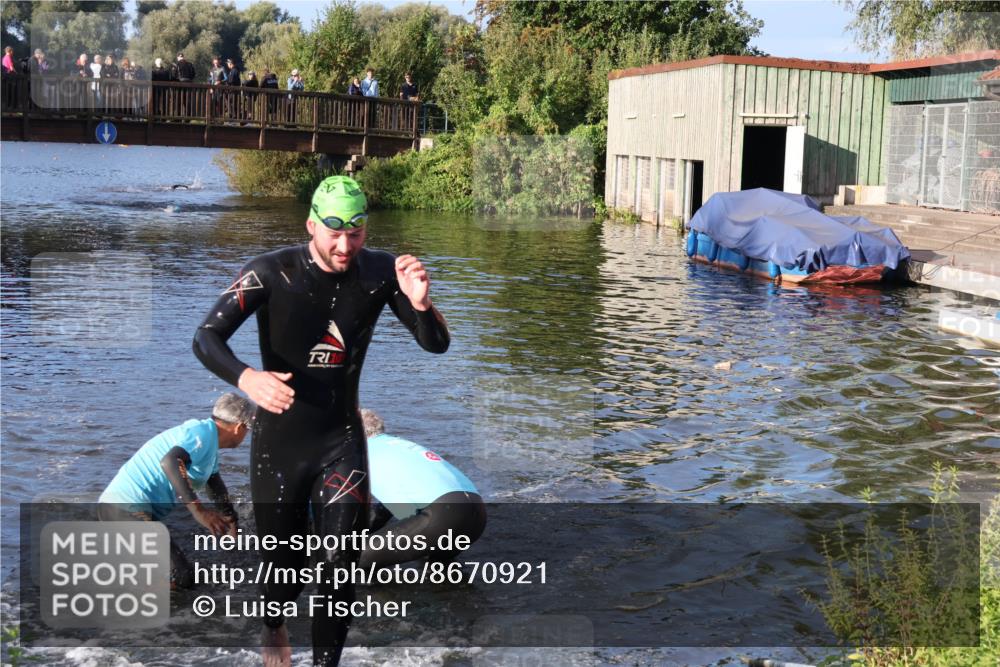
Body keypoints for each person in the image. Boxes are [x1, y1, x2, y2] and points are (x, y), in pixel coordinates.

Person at [192, 175, 450, 667]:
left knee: (339, 565)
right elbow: (206, 337)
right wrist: (247, 378)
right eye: (333, 232)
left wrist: (422, 304)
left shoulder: (379, 273)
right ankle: (275, 627)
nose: (344, 245)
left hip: (341, 441)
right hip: (279, 446)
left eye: (355, 233)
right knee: (283, 570)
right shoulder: (270, 272)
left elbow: (435, 344)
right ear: (311, 224)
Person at [98, 393, 255, 589]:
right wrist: (200, 512)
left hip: (128, 512)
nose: (246, 436)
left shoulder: (208, 442)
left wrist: (231, 521)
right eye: (248, 430)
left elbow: (214, 483)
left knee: (183, 577)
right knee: (182, 577)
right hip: (124, 509)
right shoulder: (201, 434)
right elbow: (171, 461)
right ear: (239, 427)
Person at [359, 409, 485, 569]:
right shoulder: (401, 445)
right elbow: (386, 509)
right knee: (436, 569)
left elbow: (396, 511)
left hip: (443, 516)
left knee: (355, 559)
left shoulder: (362, 453)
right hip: (477, 515)